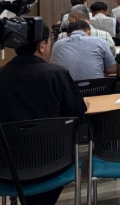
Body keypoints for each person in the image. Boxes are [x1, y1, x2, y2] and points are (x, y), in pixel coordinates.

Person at [0, 28, 87, 205]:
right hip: (55, 162)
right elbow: (76, 112)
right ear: (42, 46)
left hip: (7, 165)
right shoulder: (57, 74)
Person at [52, 20, 117, 80]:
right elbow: (112, 70)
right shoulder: (101, 42)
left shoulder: (57, 45)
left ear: (67, 35)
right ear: (89, 33)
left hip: (67, 87)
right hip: (97, 87)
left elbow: (53, 66)